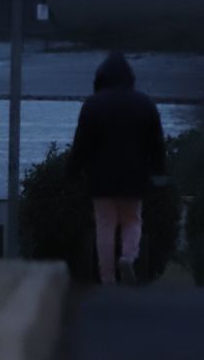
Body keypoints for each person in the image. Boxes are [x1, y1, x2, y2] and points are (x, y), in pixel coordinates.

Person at [71, 52, 165, 285]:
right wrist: (159, 172)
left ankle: (107, 278)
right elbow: (156, 143)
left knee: (105, 225)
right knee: (132, 220)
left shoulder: (92, 105)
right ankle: (128, 257)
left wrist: (71, 172)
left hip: (101, 178)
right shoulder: (145, 103)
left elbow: (81, 144)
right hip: (135, 176)